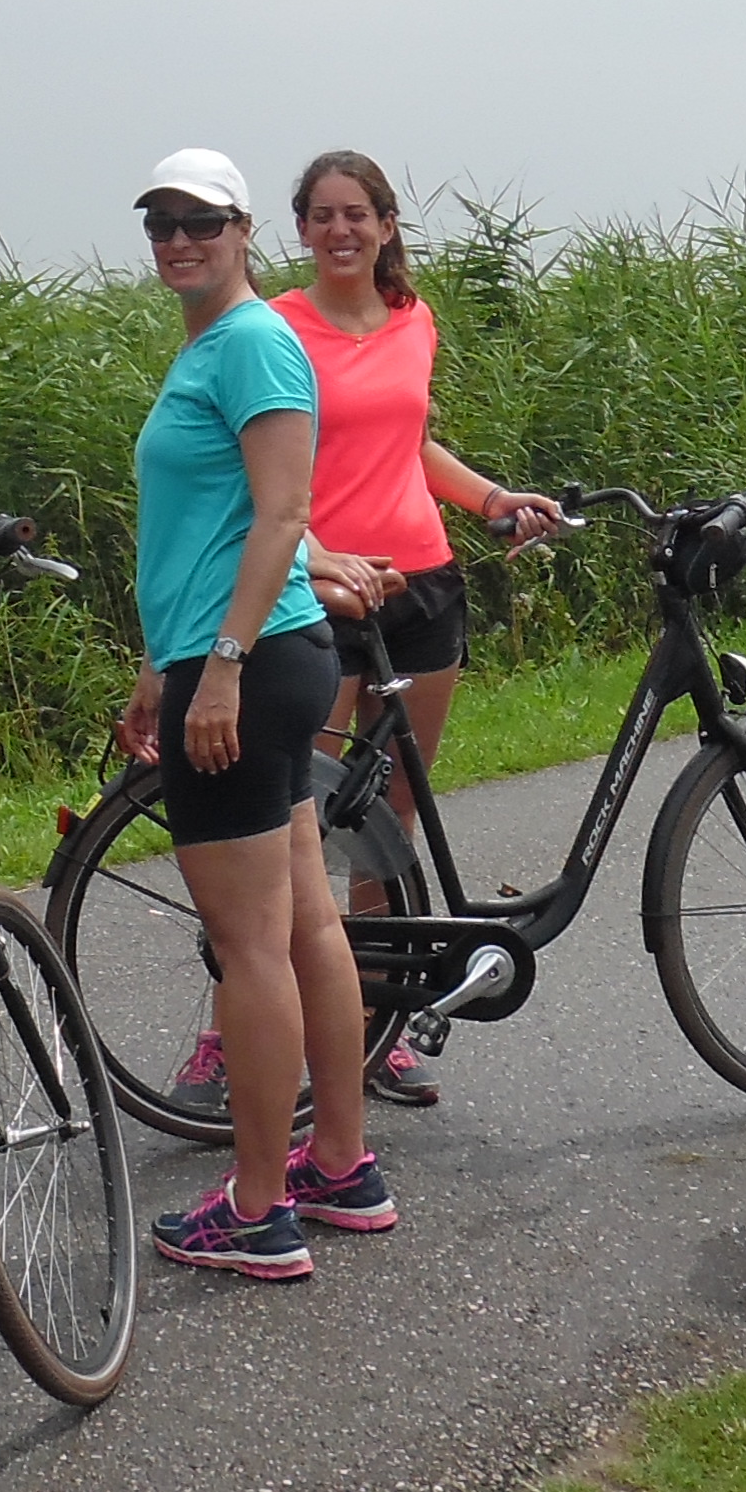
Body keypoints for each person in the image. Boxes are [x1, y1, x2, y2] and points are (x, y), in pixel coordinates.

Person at [112, 147, 391, 1281]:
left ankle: (260, 1206)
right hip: (234, 655)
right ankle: (340, 1165)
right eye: (161, 224)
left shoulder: (254, 344)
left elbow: (284, 518)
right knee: (306, 925)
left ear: (241, 231)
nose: (179, 240)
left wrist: (216, 668)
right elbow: (206, 533)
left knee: (249, 948)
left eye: (202, 222)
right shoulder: (212, 347)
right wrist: (160, 664)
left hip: (254, 662)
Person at [267, 147, 562, 1107]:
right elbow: (261, 468)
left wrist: (488, 500)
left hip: (422, 580)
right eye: (323, 215)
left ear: (387, 224)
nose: (342, 230)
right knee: (304, 824)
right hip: (325, 589)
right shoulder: (278, 329)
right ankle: (247, 1031)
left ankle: (376, 1012)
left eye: (359, 214)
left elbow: (411, 442)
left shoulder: (412, 318)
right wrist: (306, 555)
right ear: (302, 230)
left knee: (390, 815)